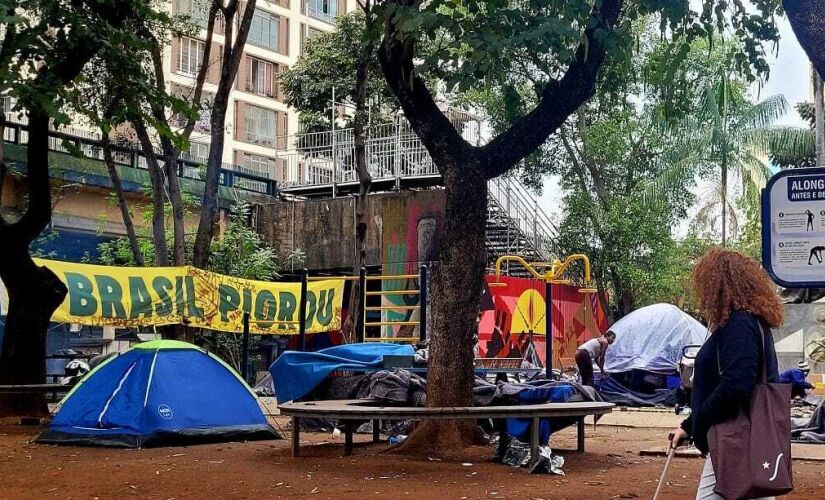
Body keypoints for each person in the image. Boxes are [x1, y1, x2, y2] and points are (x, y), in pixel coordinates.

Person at [668, 248, 783, 500]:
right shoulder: (751, 322)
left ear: (717, 284)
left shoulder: (739, 324)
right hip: (747, 438)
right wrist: (689, 426)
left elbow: (737, 383)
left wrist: (701, 422)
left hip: (735, 440)